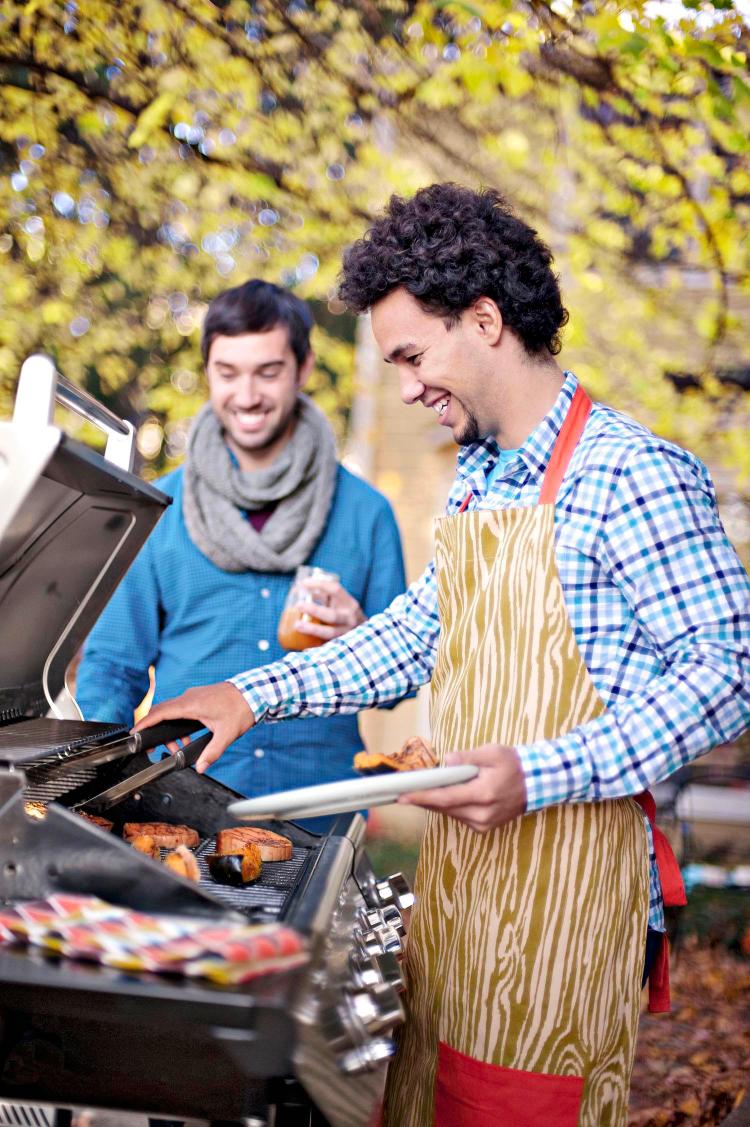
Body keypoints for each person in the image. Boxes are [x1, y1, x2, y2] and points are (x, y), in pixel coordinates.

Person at [136, 186, 750, 1126]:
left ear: (487, 321)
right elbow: (416, 635)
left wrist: (540, 773)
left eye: (414, 356)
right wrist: (248, 695)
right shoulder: (483, 476)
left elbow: (726, 672)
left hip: (564, 905)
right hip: (461, 888)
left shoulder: (634, 474)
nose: (409, 386)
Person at [76, 279, 406, 819]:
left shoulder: (368, 516)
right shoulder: (159, 510)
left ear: (303, 369)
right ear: (208, 372)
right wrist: (100, 779)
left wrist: (364, 636)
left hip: (321, 812)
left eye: (267, 372)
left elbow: (398, 682)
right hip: (182, 808)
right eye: (227, 373)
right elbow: (112, 667)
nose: (246, 395)